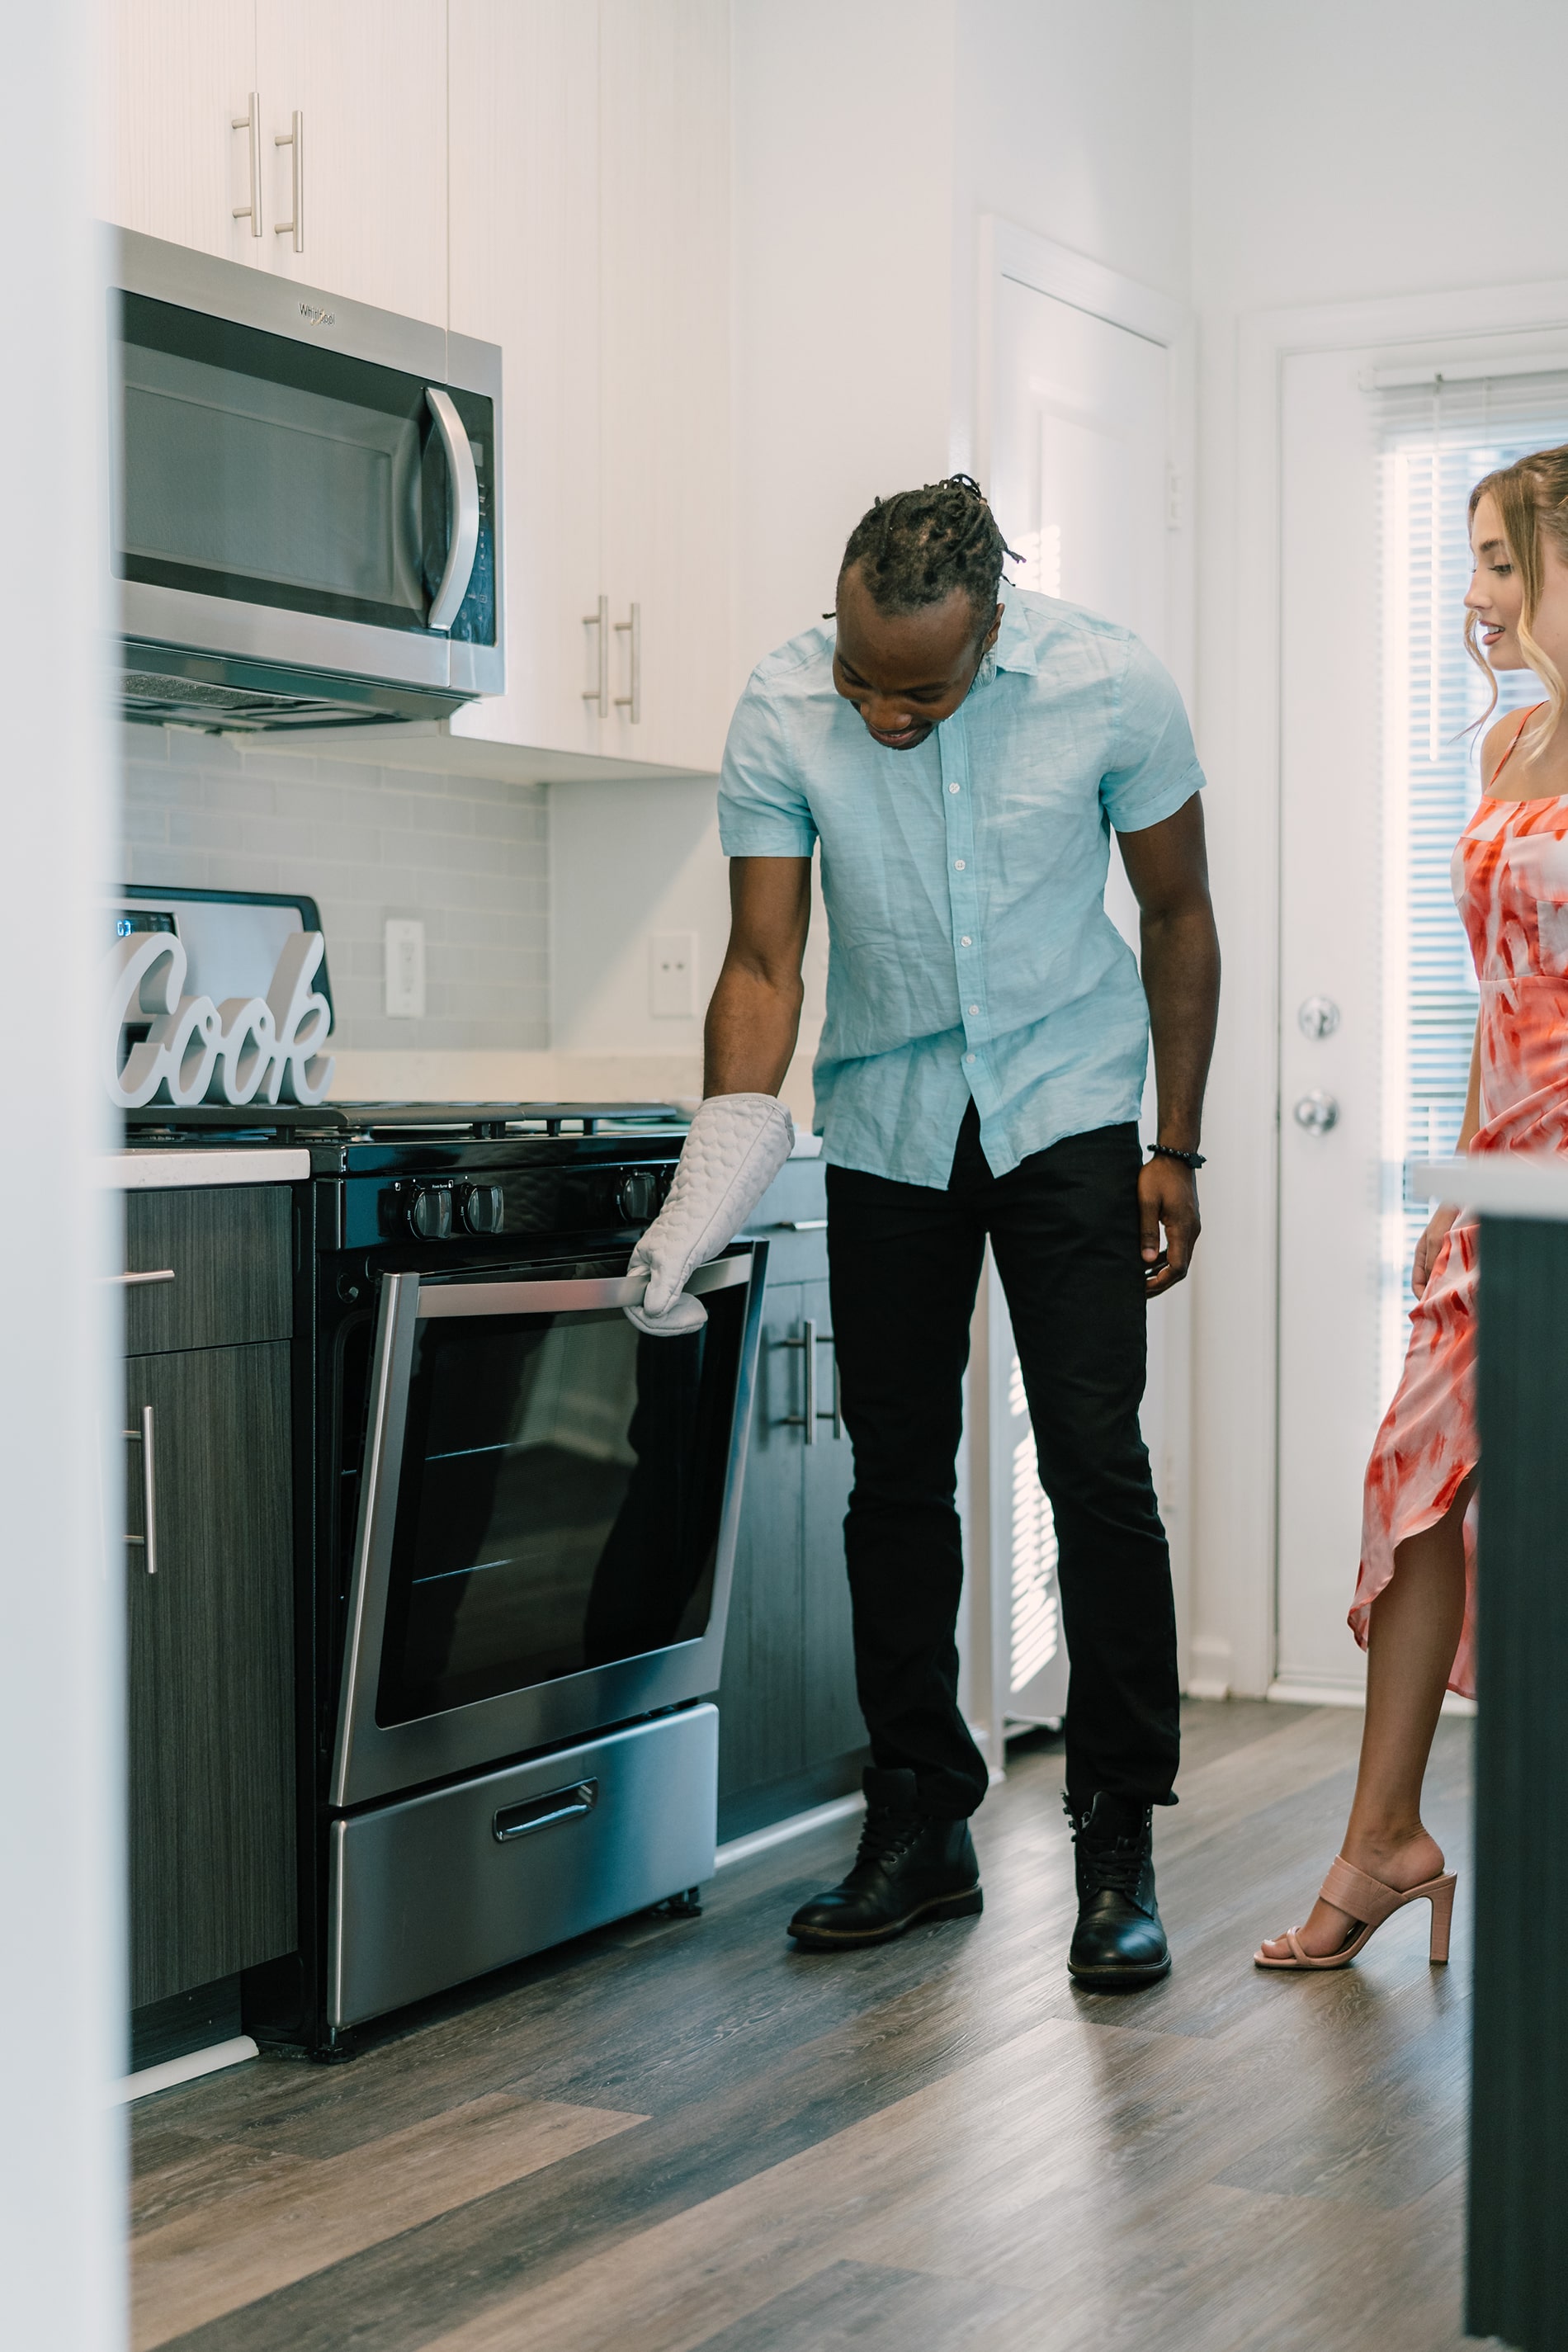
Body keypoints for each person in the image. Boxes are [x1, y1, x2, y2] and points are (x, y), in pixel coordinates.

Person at [631, 475, 1219, 1990]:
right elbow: (766, 962)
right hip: (889, 1122)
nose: (885, 715)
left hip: (1071, 1108)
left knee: (1096, 1462)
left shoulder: (1107, 684)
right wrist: (715, 1172)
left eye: (924, 691)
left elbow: (1177, 916)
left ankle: (1115, 1838)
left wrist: (1175, 1144)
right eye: (861, 680)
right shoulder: (780, 707)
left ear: (992, 627)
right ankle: (920, 1820)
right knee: (891, 1474)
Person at [1258, 444, 1568, 1972]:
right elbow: (1493, 1000)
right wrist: (1454, 1183)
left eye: (1505, 562)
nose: (1479, 594)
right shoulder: (1514, 746)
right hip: (1501, 1175)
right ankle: (1386, 1838)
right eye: (1477, 563)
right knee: (1415, 1475)